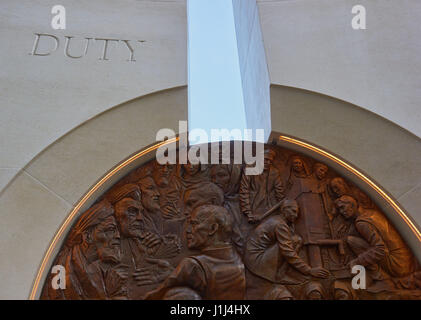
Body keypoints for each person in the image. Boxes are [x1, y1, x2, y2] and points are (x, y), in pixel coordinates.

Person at [144, 205, 246, 300]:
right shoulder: (239, 262)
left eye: (194, 224)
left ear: (213, 228)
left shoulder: (193, 266)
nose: (188, 230)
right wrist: (175, 272)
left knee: (180, 294)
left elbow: (154, 297)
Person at [244, 200, 330, 299]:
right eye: (293, 211)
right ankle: (279, 275)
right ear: (284, 210)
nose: (296, 215)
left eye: (297, 212)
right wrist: (309, 270)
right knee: (295, 241)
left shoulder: (277, 220)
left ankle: (282, 273)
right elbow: (287, 251)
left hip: (253, 257)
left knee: (295, 240)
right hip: (257, 261)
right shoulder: (280, 224)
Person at [42, 200, 128, 299]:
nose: (117, 236)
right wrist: (111, 294)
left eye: (117, 231)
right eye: (110, 230)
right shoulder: (60, 268)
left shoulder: (101, 271)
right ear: (87, 236)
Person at [335, 195, 417, 280]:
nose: (341, 212)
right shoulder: (372, 213)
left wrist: (356, 262)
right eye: (339, 210)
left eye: (342, 207)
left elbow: (381, 249)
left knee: (352, 241)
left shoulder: (361, 223)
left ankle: (379, 276)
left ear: (352, 204)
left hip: (397, 264)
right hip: (407, 261)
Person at [239, 148, 285, 223]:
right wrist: (248, 212)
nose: (268, 162)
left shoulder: (274, 172)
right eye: (266, 159)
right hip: (253, 205)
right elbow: (244, 190)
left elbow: (279, 191)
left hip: (269, 207)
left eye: (270, 161)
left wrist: (282, 206)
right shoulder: (250, 168)